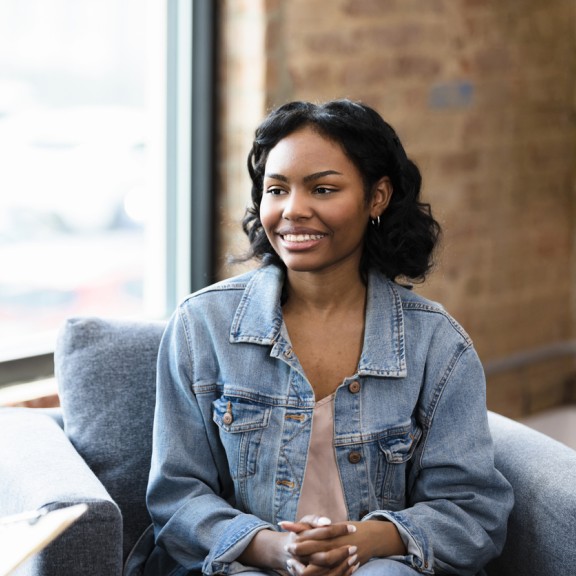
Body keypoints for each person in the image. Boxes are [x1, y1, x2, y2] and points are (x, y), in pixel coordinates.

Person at [142, 99, 514, 576]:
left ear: (377, 197)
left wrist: (366, 541)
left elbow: (471, 509)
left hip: (383, 566)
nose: (294, 210)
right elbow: (176, 496)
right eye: (277, 190)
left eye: (322, 188)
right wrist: (274, 550)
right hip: (242, 565)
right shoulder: (202, 325)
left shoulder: (436, 344)